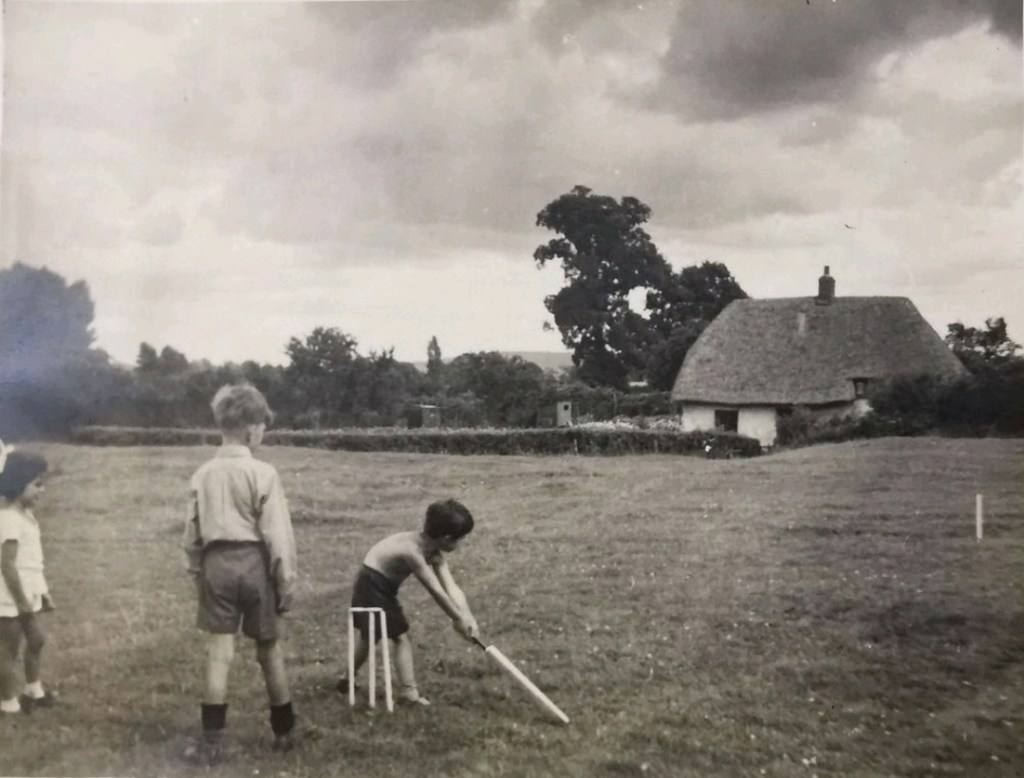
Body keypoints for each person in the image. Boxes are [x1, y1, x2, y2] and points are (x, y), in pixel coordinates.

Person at [182, 384, 299, 759]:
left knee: (219, 652)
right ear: (252, 429)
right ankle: (284, 732)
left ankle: (212, 739)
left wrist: (197, 571)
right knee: (269, 649)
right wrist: (285, 581)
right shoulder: (263, 472)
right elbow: (277, 533)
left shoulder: (203, 474)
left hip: (215, 563)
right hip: (255, 564)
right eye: (262, 426)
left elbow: (191, 532)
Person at [337, 498, 479, 706]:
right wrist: (457, 619)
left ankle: (346, 680)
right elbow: (435, 590)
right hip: (371, 584)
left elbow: (451, 588)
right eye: (461, 539)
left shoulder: (434, 553)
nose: (461, 543)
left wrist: (468, 617)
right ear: (447, 538)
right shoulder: (411, 550)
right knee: (401, 638)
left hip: (382, 586)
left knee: (369, 637)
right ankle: (409, 693)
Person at [0, 446, 56, 716]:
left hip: (27, 593)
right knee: (8, 649)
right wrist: (21, 602)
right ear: (18, 483)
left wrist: (42, 592)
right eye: (37, 484)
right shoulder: (9, 518)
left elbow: (33, 563)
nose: (41, 490)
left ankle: (33, 689)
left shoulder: (26, 516)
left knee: (37, 640)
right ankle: (7, 701)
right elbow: (7, 564)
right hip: (9, 597)